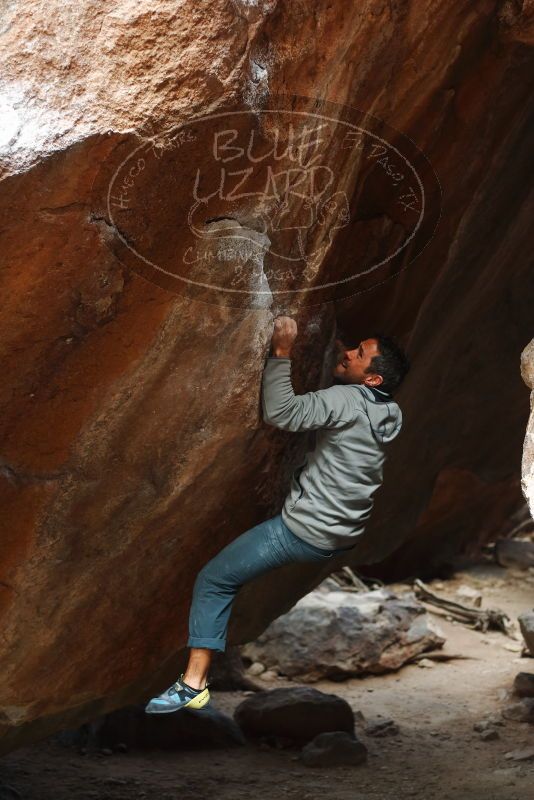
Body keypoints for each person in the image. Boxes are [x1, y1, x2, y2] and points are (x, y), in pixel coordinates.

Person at [145, 316, 410, 714]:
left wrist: (282, 352)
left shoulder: (347, 401)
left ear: (371, 379)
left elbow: (283, 413)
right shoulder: (390, 412)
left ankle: (193, 684)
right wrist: (339, 361)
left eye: (358, 355)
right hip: (342, 534)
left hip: (304, 532)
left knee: (214, 580)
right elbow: (345, 410)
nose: (349, 352)